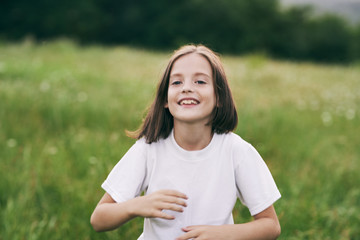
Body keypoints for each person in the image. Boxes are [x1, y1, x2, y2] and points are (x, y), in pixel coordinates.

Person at [90, 44, 281, 240]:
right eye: (176, 83)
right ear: (165, 99)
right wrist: (136, 206)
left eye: (199, 81)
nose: (187, 88)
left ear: (219, 97)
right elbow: (99, 219)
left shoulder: (236, 151)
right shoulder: (148, 149)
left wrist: (222, 234)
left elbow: (270, 226)